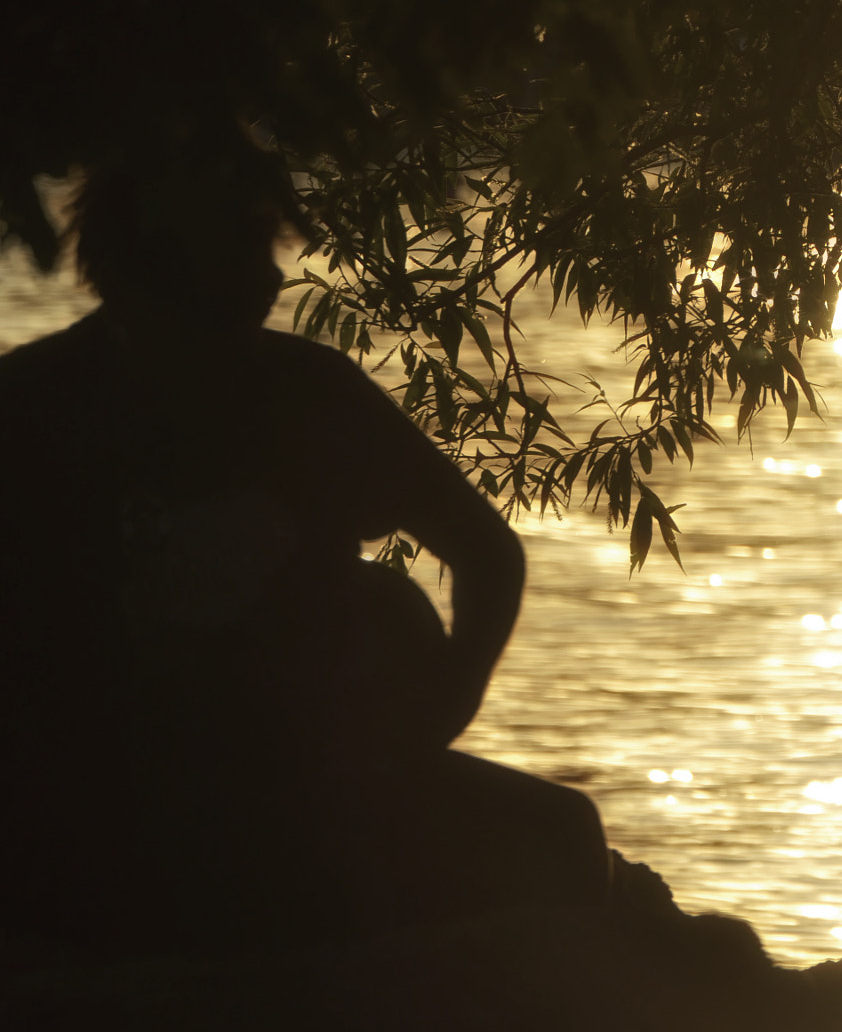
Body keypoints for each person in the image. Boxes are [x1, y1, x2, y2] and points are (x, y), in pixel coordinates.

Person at [0, 148, 610, 954]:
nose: (271, 281)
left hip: (314, 778)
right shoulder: (36, 408)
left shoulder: (313, 393)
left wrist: (440, 708)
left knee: (561, 832)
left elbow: (486, 551)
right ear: (154, 272)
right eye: (245, 255)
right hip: (115, 793)